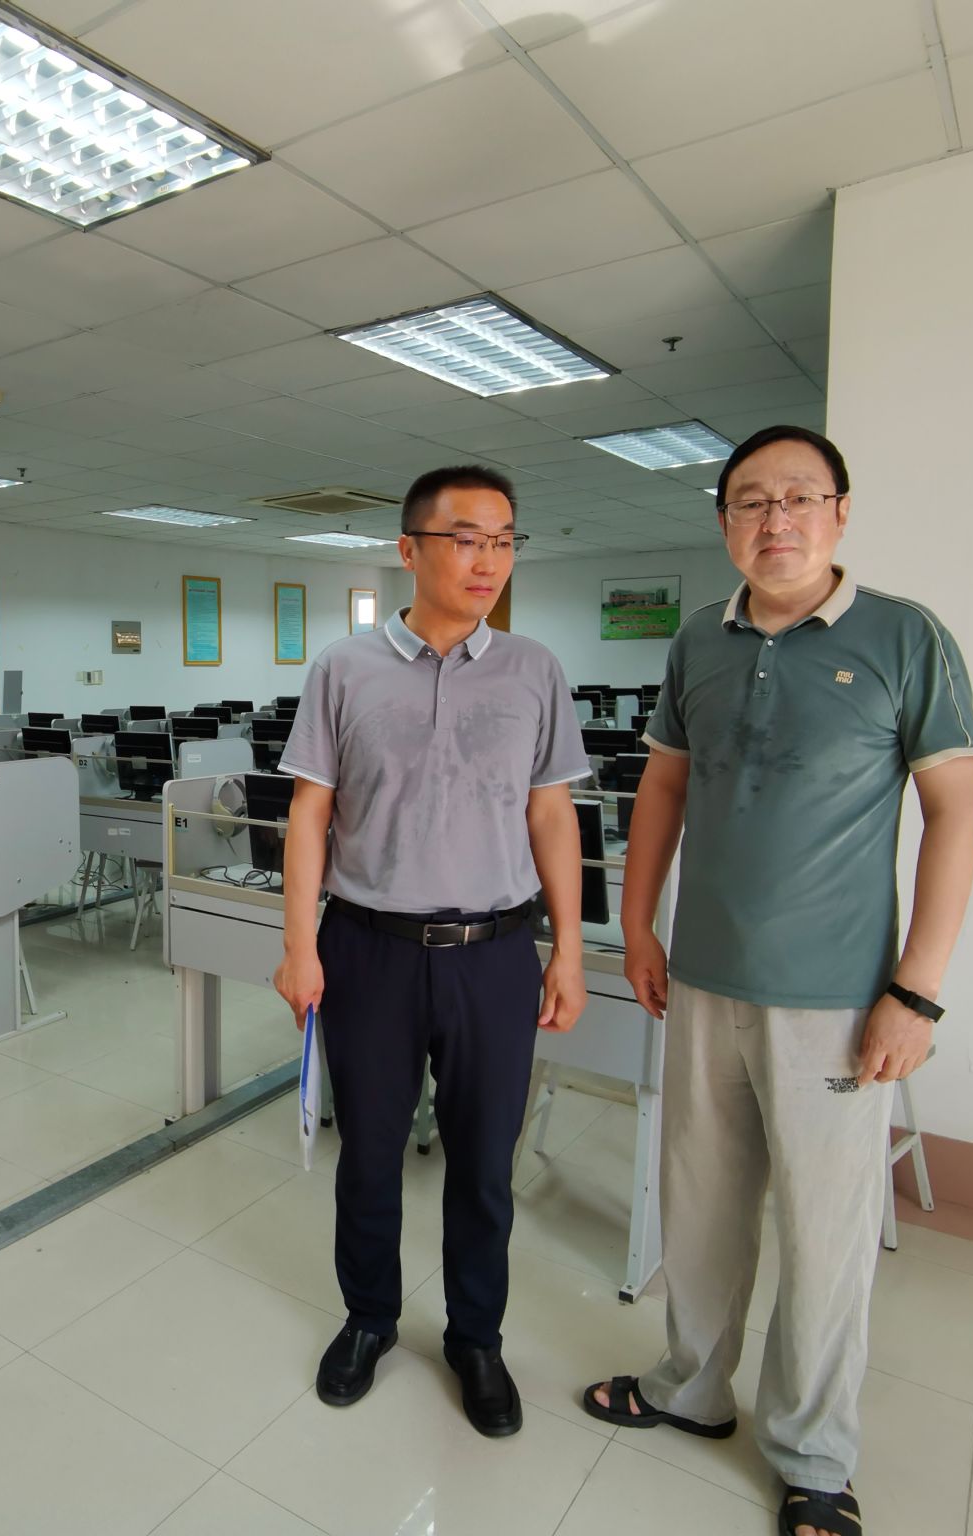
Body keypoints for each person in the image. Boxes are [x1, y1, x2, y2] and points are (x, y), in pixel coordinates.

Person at [580, 426, 973, 1536]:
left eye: (799, 497)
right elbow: (663, 789)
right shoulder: (696, 644)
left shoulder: (906, 638)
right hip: (702, 979)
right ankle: (690, 1388)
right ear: (724, 523)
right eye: (750, 501)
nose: (775, 520)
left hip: (838, 999)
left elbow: (954, 814)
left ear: (839, 513)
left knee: (823, 1234)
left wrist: (916, 991)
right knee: (700, 1204)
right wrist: (638, 925)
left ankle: (813, 1456)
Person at [274, 465, 591, 1438]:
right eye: (465, 539)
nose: (487, 560)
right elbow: (309, 812)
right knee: (368, 1154)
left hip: (494, 954)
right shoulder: (343, 668)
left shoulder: (534, 670)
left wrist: (569, 949)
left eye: (503, 541)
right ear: (408, 549)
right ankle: (369, 1317)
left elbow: (552, 814)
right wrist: (298, 945)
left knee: (483, 1162)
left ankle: (475, 1338)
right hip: (368, 948)